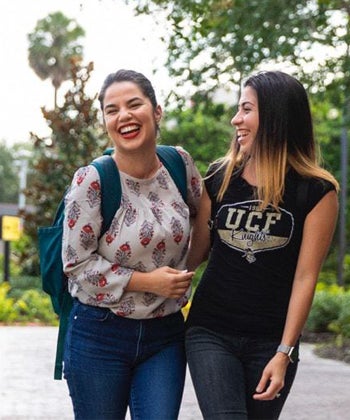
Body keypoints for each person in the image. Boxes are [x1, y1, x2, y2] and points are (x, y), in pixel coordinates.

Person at [185, 70, 339, 420]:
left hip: (272, 341)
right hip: (211, 331)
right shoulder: (219, 178)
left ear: (275, 117)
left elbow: (305, 277)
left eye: (246, 109)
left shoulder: (316, 192)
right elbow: (195, 254)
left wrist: (284, 352)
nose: (235, 119)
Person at [61, 69, 201, 420]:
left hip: (165, 334)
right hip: (99, 334)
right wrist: (150, 282)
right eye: (112, 110)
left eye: (134, 104)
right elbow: (76, 265)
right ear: (106, 122)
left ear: (156, 111)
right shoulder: (92, 179)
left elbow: (205, 214)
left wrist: (188, 269)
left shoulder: (179, 163)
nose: (123, 115)